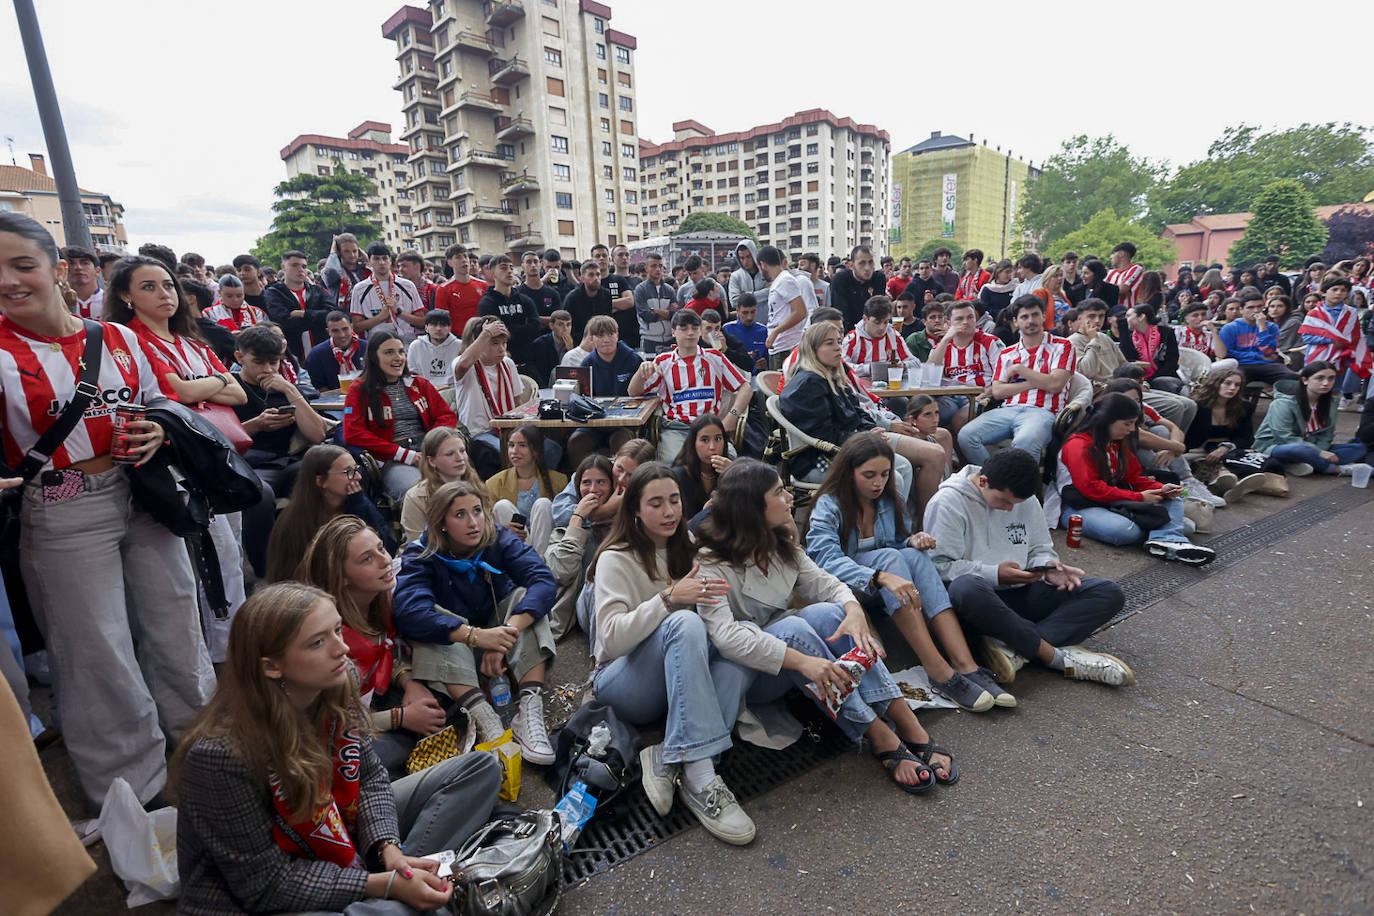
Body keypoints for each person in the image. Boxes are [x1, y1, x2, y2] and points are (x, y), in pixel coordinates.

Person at [0, 212, 214, 815]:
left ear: (57, 270)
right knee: (97, 650)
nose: (10, 282)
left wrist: (157, 430)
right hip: (61, 509)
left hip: (142, 497)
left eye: (21, 265)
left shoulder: (116, 339)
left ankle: (205, 751)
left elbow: (161, 402)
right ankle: (133, 793)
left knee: (177, 624)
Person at [173, 582, 502, 916]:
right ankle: (402, 898)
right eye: (318, 642)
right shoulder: (220, 756)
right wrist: (383, 885)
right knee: (402, 907)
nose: (342, 648)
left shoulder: (334, 685)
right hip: (266, 898)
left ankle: (407, 888)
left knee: (480, 769)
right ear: (271, 666)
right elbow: (268, 886)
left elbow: (370, 778)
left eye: (336, 629)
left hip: (341, 835)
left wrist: (391, 851)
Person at [695, 460, 960, 794]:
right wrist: (803, 661)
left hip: (794, 661)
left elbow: (826, 584)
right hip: (749, 673)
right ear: (752, 507)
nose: (789, 496)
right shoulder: (709, 562)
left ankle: (905, 720)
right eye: (778, 492)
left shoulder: (779, 544)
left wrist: (854, 612)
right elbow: (725, 637)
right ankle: (876, 732)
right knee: (796, 627)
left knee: (829, 612)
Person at [587, 464, 756, 842]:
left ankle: (675, 758)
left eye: (675, 500)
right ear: (635, 509)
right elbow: (611, 641)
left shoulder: (691, 546)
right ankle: (699, 776)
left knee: (742, 638)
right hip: (620, 681)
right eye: (656, 503)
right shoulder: (617, 556)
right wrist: (667, 599)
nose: (669, 512)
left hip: (674, 681)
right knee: (685, 623)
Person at [108, 255, 249, 662]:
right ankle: (222, 654)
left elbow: (238, 395)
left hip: (216, 454)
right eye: (148, 287)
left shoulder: (190, 342)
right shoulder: (132, 341)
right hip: (177, 463)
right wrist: (212, 384)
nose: (164, 294)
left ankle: (233, 642)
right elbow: (177, 394)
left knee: (230, 552)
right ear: (125, 296)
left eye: (167, 285)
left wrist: (202, 386)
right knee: (210, 556)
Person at [806, 435, 1007, 710]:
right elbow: (823, 559)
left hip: (883, 582)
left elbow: (894, 543)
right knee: (891, 558)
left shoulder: (888, 499)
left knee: (914, 555)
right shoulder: (829, 504)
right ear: (848, 473)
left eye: (885, 474)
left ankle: (966, 665)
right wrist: (879, 576)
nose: (878, 483)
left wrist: (912, 540)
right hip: (846, 586)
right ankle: (938, 670)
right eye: (869, 475)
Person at [923, 448, 1134, 688]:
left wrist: (1046, 567)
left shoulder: (1026, 500)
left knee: (1108, 592)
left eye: (1017, 503)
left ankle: (1012, 645)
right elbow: (938, 567)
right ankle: (1052, 656)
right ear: (983, 481)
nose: (1009, 509)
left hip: (1023, 592)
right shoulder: (948, 502)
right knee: (966, 587)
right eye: (1004, 501)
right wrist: (995, 574)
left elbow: (1040, 547)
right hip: (980, 602)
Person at [393, 482, 558, 762]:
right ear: (441, 523)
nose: (473, 523)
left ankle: (529, 709)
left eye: (478, 511)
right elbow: (409, 611)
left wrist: (506, 635)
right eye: (459, 515)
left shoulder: (497, 537)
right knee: (432, 620)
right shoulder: (421, 553)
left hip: (497, 638)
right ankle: (486, 720)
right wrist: (476, 637)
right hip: (456, 651)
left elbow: (543, 580)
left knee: (525, 598)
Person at [297, 517, 449, 779]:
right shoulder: (326, 635)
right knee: (379, 754)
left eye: (381, 548)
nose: (385, 560)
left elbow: (386, 652)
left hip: (374, 700)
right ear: (341, 576)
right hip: (331, 731)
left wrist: (409, 681)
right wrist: (400, 717)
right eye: (367, 559)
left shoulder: (384, 596)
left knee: (438, 690)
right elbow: (330, 721)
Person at [780, 323, 947, 513]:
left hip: (852, 442)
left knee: (916, 460)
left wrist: (869, 430)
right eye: (829, 343)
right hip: (820, 459)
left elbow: (857, 411)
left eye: (838, 342)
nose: (838, 347)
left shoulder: (830, 374)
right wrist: (865, 438)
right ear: (813, 349)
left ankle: (903, 528)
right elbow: (824, 436)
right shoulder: (808, 383)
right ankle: (883, 532)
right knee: (898, 471)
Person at [1055, 393, 1216, 564]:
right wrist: (1140, 497)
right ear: (1106, 420)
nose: (1132, 429)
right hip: (1078, 507)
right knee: (1124, 531)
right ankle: (1167, 532)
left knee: (1173, 501)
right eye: (1127, 423)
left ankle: (1165, 538)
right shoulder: (1078, 445)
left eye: (1133, 423)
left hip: (1112, 501)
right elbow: (1090, 488)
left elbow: (1133, 477)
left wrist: (1160, 488)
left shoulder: (1117, 441)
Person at [231, 325, 329, 575]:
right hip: (250, 464)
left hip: (287, 461)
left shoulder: (284, 388)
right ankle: (266, 570)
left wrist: (290, 389)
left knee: (329, 473)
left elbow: (317, 434)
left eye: (274, 362)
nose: (267, 369)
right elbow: (220, 438)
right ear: (240, 358)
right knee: (259, 494)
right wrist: (256, 425)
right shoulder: (230, 388)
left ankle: (326, 553)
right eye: (259, 362)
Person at [957, 295, 1077, 464]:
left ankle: (1023, 490)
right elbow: (998, 392)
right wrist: (1038, 382)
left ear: (1043, 316)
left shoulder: (1063, 345)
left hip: (1043, 411)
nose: (1031, 320)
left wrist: (1019, 370)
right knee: (966, 436)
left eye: (1035, 315)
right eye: (1024, 317)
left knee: (1024, 442)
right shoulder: (1007, 353)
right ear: (1015, 321)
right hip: (1008, 409)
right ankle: (998, 481)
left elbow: (1056, 384)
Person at [343, 329, 458, 505]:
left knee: (464, 487)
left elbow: (446, 415)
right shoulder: (359, 389)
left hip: (430, 450)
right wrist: (405, 455)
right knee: (421, 494)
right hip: (392, 458)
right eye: (389, 352)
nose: (398, 357)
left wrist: (433, 443)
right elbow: (352, 432)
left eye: (401, 351)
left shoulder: (419, 383)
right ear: (374, 357)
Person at [630, 309, 751, 462]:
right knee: (674, 466)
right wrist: (641, 373)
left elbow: (745, 388)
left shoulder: (715, 357)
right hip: (676, 428)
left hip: (710, 427)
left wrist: (731, 417)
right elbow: (633, 392)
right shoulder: (663, 361)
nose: (690, 333)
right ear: (673, 332)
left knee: (728, 464)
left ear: (700, 331)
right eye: (684, 328)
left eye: (695, 328)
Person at [266, 445, 395, 582]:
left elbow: (389, 550)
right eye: (348, 472)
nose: (358, 477)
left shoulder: (359, 503)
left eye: (356, 469)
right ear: (320, 481)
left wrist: (359, 508)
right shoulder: (295, 522)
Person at [544, 454, 617, 640]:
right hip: (572, 612)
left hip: (608, 615)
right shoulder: (566, 526)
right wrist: (578, 517)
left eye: (601, 482)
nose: (593, 490)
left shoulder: (623, 524)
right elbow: (561, 572)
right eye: (586, 483)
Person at [1254, 361, 1370, 476]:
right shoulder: (1283, 403)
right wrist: (1318, 452)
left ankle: (1298, 463)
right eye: (1320, 378)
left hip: (1311, 446)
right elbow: (1284, 437)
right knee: (1298, 450)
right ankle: (1335, 469)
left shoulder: (1331, 402)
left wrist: (1319, 451)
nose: (1326, 383)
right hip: (1275, 446)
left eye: (1331, 378)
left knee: (1361, 448)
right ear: (1305, 380)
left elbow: (1327, 434)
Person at [485, 425, 566, 556]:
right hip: (513, 547)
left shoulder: (558, 481)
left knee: (543, 504)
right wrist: (501, 529)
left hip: (547, 547)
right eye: (511, 445)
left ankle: (539, 565)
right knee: (502, 505)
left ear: (536, 450)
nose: (514, 451)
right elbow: (485, 522)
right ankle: (528, 563)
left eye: (522, 445)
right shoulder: (494, 483)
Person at [926, 299, 1003, 433]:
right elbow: (929, 376)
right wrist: (945, 340)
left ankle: (958, 454)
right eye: (959, 319)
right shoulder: (942, 346)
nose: (966, 322)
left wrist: (979, 397)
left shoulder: (991, 342)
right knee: (926, 415)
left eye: (970, 317)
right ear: (949, 324)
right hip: (951, 397)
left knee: (960, 418)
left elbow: (1003, 377)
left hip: (983, 396)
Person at [401, 427, 485, 543]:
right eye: (450, 454)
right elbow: (416, 544)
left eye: (462, 451)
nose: (460, 458)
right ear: (431, 461)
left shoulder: (476, 484)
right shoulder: (416, 497)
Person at [1300, 275, 1370, 410]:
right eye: (1335, 289)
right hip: (1317, 357)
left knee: (1334, 390)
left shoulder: (1351, 312)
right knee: (1313, 390)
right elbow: (1307, 337)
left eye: (1343, 290)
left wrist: (1347, 344)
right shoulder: (1314, 314)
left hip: (1341, 356)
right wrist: (1331, 340)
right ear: (1324, 292)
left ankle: (1328, 419)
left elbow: (1355, 335)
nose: (1339, 293)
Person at [350, 243, 425, 346]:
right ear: (369, 261)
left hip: (407, 344)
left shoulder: (408, 286)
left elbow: (422, 321)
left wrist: (399, 312)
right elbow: (356, 327)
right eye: (376, 259)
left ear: (390, 261)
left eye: (385, 258)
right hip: (377, 345)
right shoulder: (359, 289)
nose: (381, 262)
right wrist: (380, 317)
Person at [478, 255, 541, 372]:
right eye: (503, 268)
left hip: (528, 361)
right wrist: (523, 328)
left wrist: (509, 329)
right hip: (502, 361)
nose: (509, 272)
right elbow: (495, 333)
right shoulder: (487, 303)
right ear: (492, 273)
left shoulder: (525, 300)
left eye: (511, 268)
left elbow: (536, 328)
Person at [671, 412, 732, 521]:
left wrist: (734, 474)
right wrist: (703, 516)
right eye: (705, 440)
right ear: (693, 443)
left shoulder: (730, 467)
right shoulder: (679, 475)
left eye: (718, 439)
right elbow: (677, 527)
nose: (712, 447)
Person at [758, 246, 811, 370]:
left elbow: (801, 312)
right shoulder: (779, 281)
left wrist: (775, 332)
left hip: (786, 346)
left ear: (763, 264)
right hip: (779, 345)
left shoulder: (785, 280)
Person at [841, 295, 919, 379]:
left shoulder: (894, 336)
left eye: (885, 322)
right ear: (865, 319)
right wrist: (868, 369)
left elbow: (916, 363)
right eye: (877, 322)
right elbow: (841, 366)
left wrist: (903, 365)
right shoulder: (853, 339)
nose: (882, 327)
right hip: (860, 389)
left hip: (890, 389)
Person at [1114, 302, 1183, 391]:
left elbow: (1172, 362)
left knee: (1162, 382)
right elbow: (1127, 359)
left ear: (1141, 317)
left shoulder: (1166, 333)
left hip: (1164, 377)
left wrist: (1151, 378)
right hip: (1139, 379)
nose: (1125, 319)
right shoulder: (1129, 336)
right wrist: (1123, 330)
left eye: (1128, 316)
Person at [405, 309, 460, 405]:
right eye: (434, 325)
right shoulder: (416, 345)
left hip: (452, 393)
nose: (438, 328)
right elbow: (411, 375)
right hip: (423, 392)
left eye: (443, 325)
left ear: (449, 328)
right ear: (426, 328)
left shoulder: (459, 345)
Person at [306, 311, 368, 393]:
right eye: (335, 331)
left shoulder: (368, 348)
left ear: (352, 327)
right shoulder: (316, 354)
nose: (342, 335)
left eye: (345, 329)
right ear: (328, 332)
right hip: (334, 402)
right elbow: (319, 387)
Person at [829, 245, 888, 331]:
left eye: (870, 262)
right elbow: (840, 314)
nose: (867, 268)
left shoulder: (879, 278)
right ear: (852, 265)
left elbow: (879, 311)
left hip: (872, 330)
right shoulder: (841, 279)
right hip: (848, 331)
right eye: (862, 263)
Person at [434, 244, 487, 332]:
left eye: (465, 256)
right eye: (458, 257)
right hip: (458, 339)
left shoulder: (484, 285)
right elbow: (442, 321)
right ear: (450, 262)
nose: (464, 260)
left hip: (482, 335)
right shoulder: (443, 289)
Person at [634, 252, 678, 355]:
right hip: (649, 340)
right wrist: (667, 313)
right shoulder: (640, 289)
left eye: (660, 266)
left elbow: (676, 315)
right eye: (654, 266)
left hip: (669, 340)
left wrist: (655, 310)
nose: (658, 269)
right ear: (646, 268)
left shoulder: (670, 290)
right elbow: (646, 316)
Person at [906, 394, 954, 477]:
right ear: (913, 420)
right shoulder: (909, 446)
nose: (935, 420)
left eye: (936, 413)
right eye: (928, 414)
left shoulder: (930, 439)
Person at [322, 233, 370, 314]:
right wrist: (333, 253)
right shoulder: (336, 272)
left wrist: (367, 260)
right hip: (344, 318)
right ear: (339, 252)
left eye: (355, 251)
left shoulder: (366, 269)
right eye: (346, 251)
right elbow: (329, 272)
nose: (352, 255)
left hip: (367, 315)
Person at [527, 308, 575, 387]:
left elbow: (577, 371)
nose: (565, 329)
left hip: (569, 385)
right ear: (551, 326)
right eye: (560, 324)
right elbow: (540, 373)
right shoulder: (540, 344)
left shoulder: (576, 342)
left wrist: (571, 351)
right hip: (547, 386)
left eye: (568, 324)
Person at [723, 293, 769, 373]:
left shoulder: (764, 331)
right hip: (733, 375)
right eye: (745, 313)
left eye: (752, 312)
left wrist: (766, 364)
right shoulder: (727, 329)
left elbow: (770, 360)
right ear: (737, 311)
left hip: (757, 377)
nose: (749, 317)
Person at [515, 249, 563, 322]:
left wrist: (534, 319)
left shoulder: (552, 293)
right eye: (528, 262)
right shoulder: (516, 293)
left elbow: (558, 319)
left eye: (535, 262)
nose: (533, 265)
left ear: (541, 264)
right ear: (522, 266)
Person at [57, 244, 103, 319]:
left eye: (84, 263)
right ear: (62, 269)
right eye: (71, 263)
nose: (78, 267)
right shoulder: (53, 303)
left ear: (97, 270)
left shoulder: (112, 301)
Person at [728, 240, 767, 310]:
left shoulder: (766, 273)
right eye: (742, 258)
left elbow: (774, 292)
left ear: (754, 254)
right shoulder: (735, 276)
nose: (745, 261)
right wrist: (764, 292)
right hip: (744, 319)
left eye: (748, 256)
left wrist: (744, 296)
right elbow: (734, 302)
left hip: (766, 319)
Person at [1106, 242, 1144, 311]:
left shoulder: (1135, 269)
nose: (1111, 257)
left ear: (1121, 254)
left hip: (1126, 313)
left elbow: (1122, 290)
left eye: (1113, 253)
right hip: (1109, 312)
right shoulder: (1111, 273)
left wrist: (1107, 288)